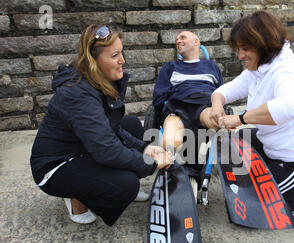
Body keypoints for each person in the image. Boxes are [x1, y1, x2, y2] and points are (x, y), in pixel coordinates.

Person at [30, 24, 173, 226]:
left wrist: (146, 149)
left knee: (131, 124)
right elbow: (107, 150)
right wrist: (149, 162)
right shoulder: (77, 93)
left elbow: (114, 130)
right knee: (125, 185)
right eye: (114, 55)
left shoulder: (100, 79)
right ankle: (77, 196)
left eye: (121, 53)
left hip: (82, 148)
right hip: (56, 166)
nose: (122, 60)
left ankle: (100, 180)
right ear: (93, 60)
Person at [211, 11, 294, 227]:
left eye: (246, 49)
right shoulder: (257, 70)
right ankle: (275, 176)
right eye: (239, 49)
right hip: (271, 143)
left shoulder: (285, 71)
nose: (240, 56)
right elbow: (225, 90)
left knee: (254, 205)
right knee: (230, 146)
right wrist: (217, 104)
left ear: (263, 45)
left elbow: (290, 106)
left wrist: (240, 118)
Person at [152, 31, 224, 176]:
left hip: (204, 104)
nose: (178, 41)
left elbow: (223, 93)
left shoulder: (211, 66)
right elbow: (158, 97)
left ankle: (196, 166)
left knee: (217, 121)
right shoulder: (170, 67)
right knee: (170, 138)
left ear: (196, 42)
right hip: (178, 106)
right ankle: (173, 171)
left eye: (183, 37)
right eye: (177, 39)